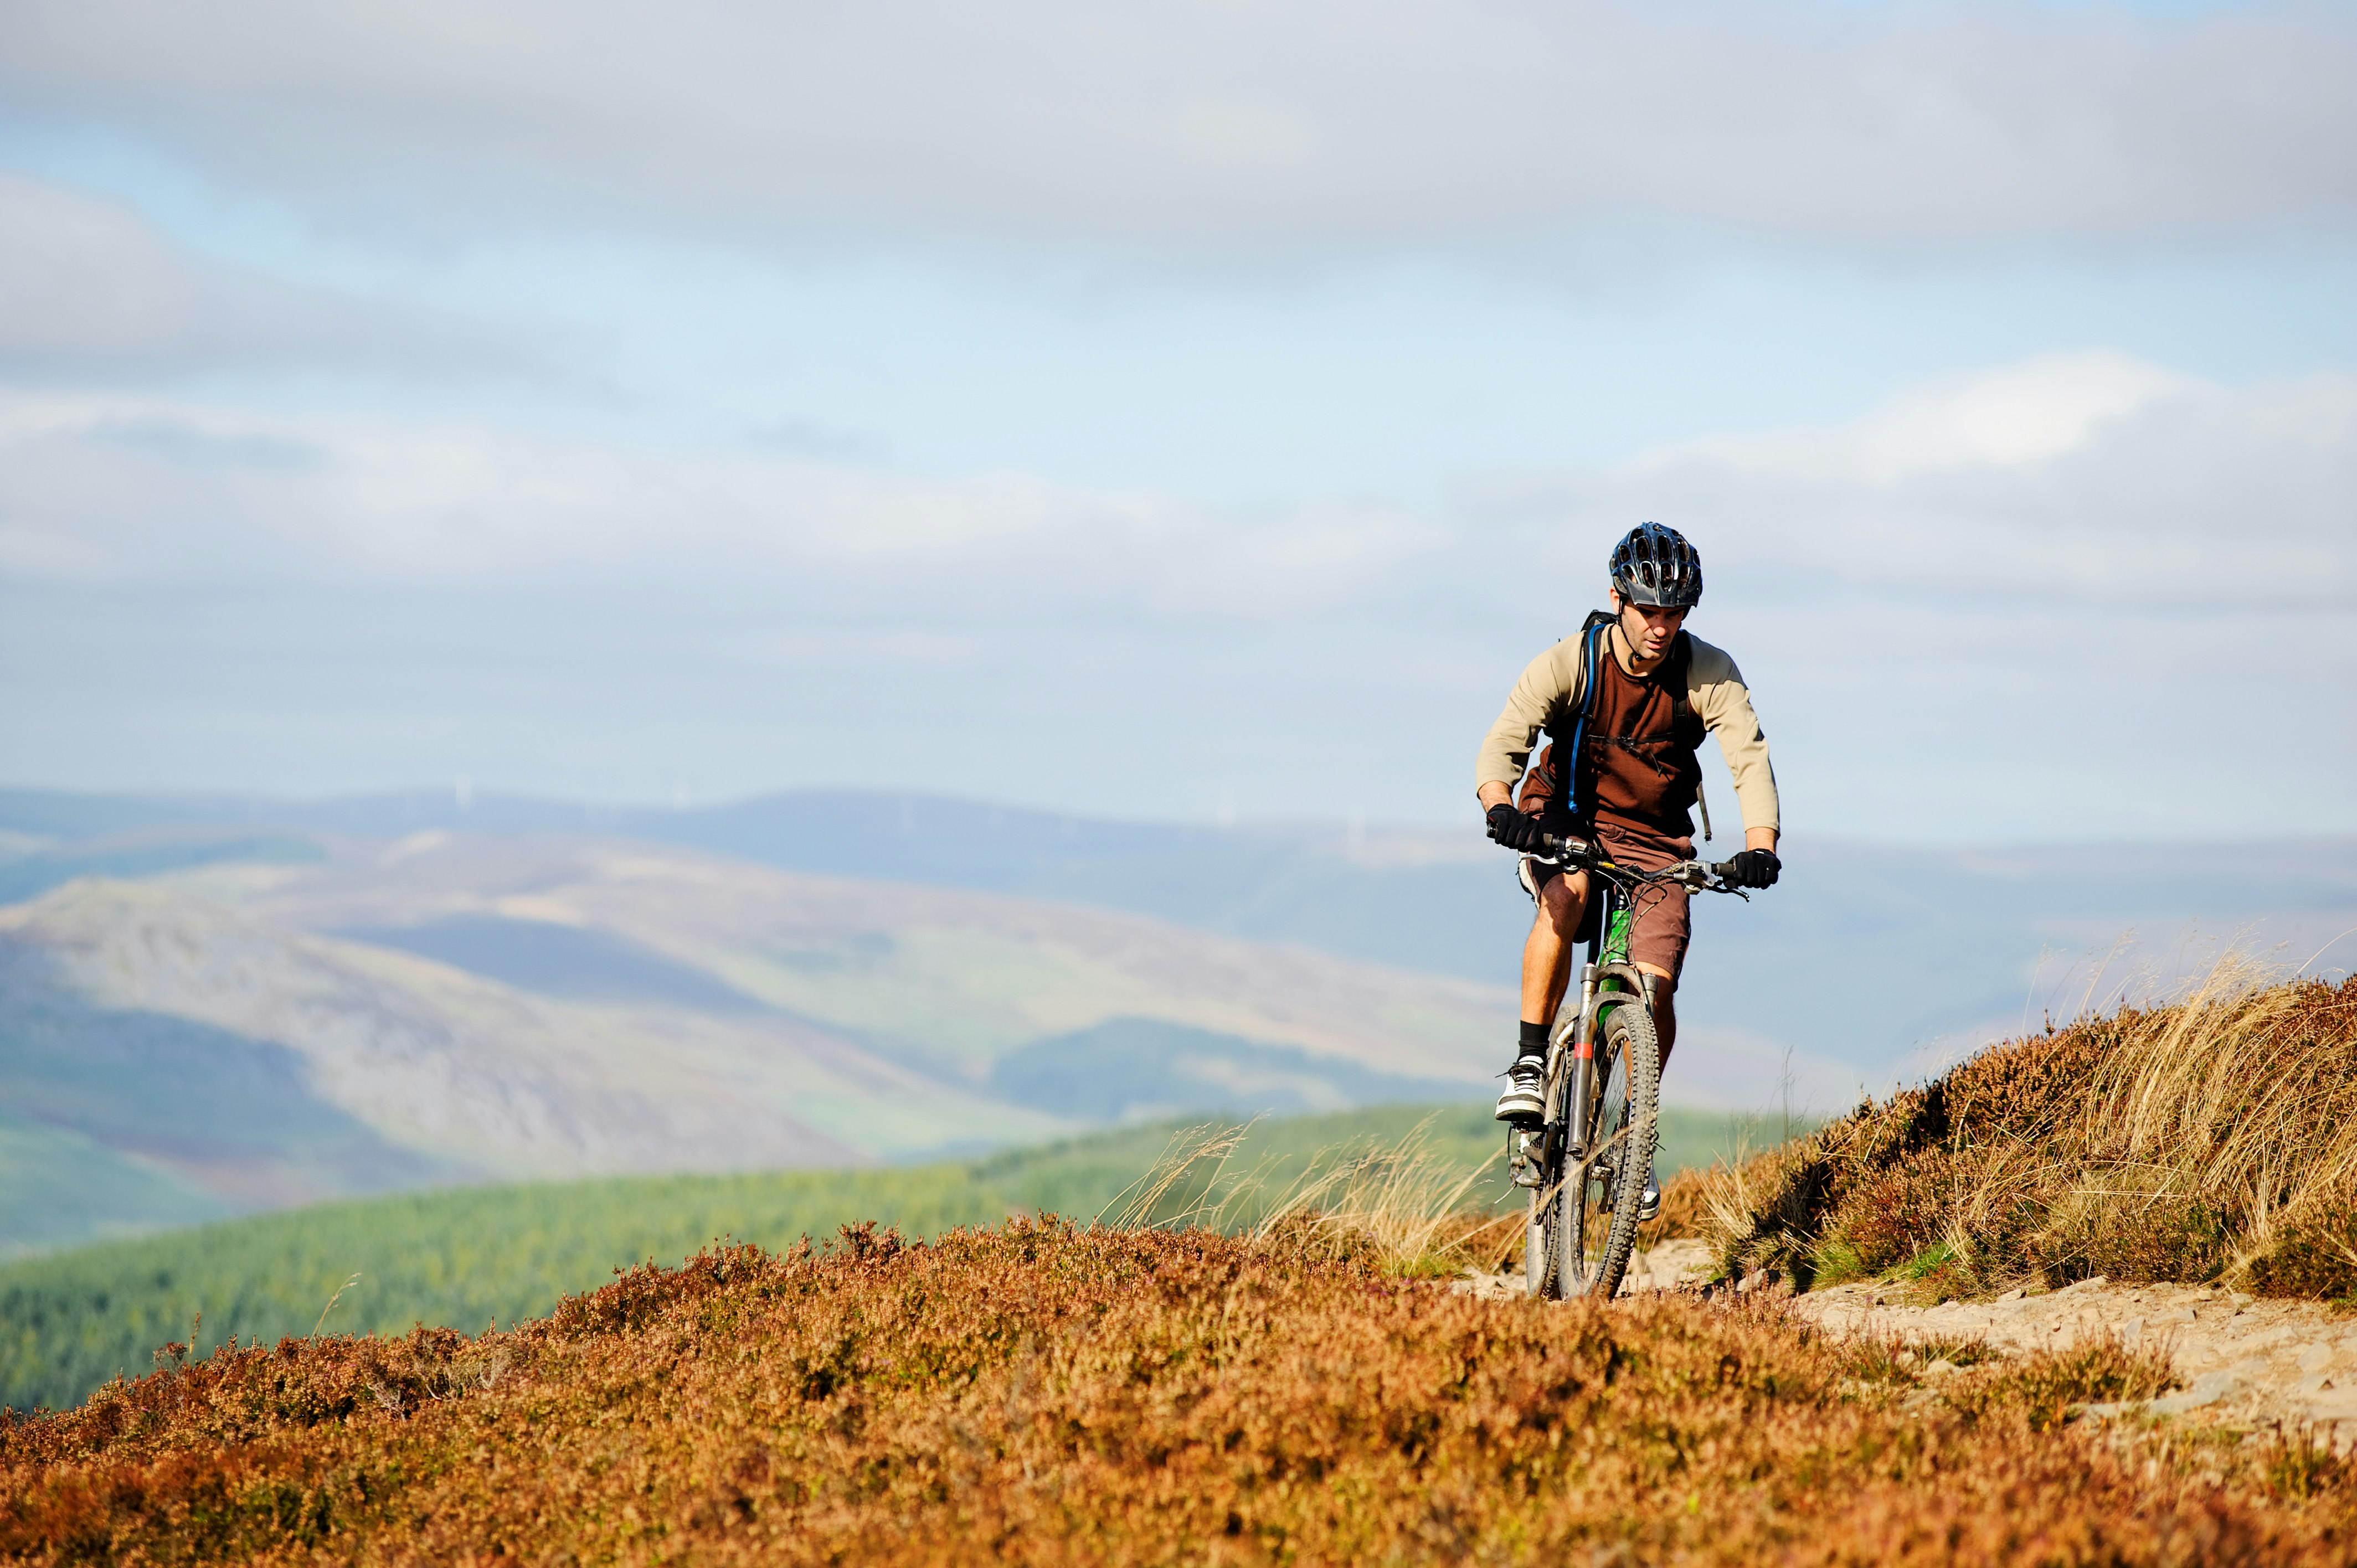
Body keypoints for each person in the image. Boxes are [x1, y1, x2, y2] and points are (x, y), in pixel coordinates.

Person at [1473, 522, 1780, 1218]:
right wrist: (1501, 810)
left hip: (1654, 843)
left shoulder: (1708, 671)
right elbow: (1502, 746)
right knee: (1570, 893)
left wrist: (1759, 845)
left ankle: (1629, 1135)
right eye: (1649, 610)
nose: (1662, 627)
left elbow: (1747, 758)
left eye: (1675, 613)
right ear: (1617, 599)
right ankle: (1528, 1062)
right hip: (1567, 820)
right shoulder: (1569, 662)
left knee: (1655, 987)